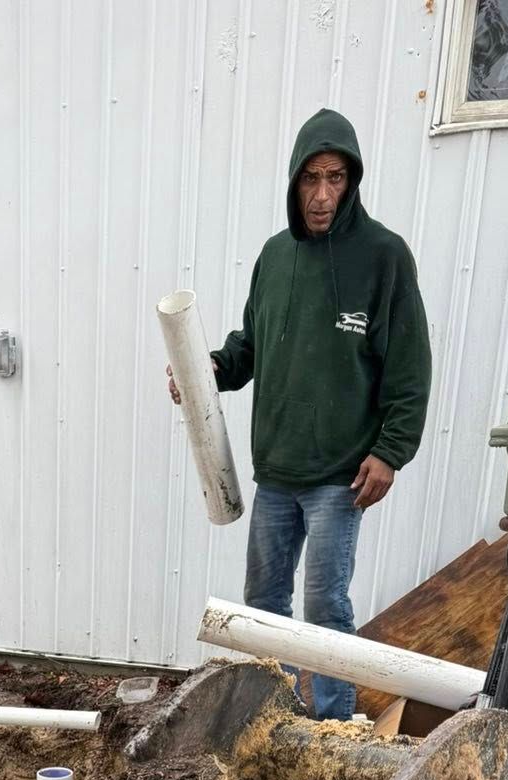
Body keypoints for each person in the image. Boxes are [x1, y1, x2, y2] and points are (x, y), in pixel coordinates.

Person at [170, 109, 431, 719]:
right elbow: (249, 347)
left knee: (325, 607)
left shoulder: (384, 257)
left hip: (341, 474)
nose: (321, 195)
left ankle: (332, 727)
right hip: (277, 471)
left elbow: (410, 366)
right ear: (294, 180)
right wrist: (204, 370)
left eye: (335, 178)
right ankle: (274, 721)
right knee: (263, 605)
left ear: (351, 180)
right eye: (311, 178)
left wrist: (391, 451)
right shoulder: (275, 256)